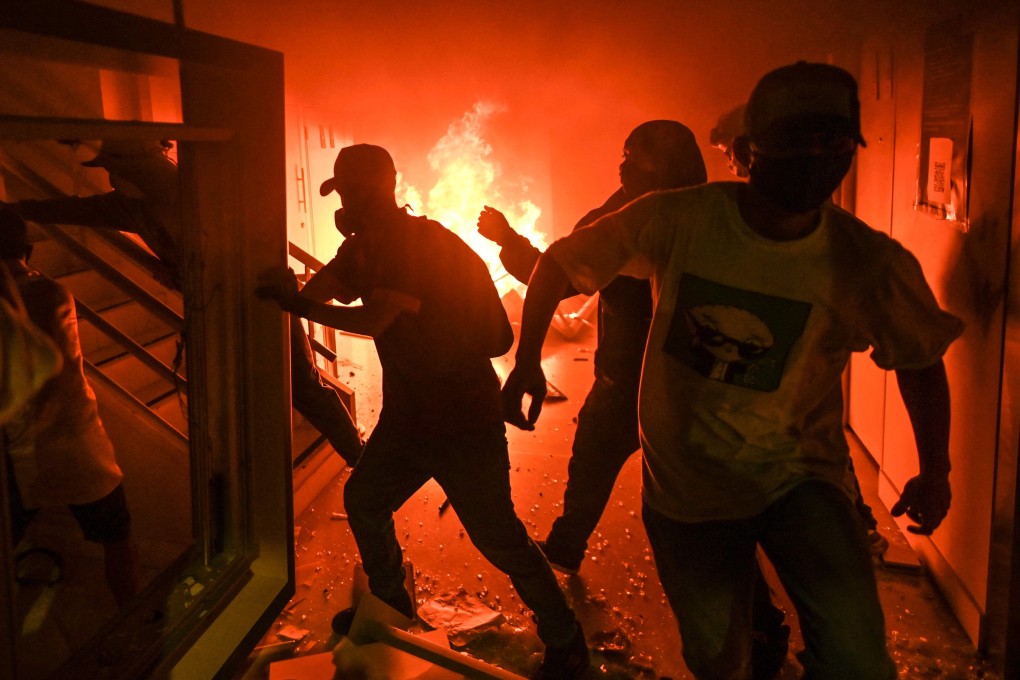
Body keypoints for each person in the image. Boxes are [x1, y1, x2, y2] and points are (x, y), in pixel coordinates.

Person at [502, 62, 963, 679]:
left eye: (832, 141)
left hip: (799, 478)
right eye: (794, 139)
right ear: (749, 151)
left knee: (856, 655)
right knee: (719, 659)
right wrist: (526, 361)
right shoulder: (679, 219)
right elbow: (560, 263)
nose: (814, 158)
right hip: (687, 487)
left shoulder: (868, 262)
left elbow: (920, 358)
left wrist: (936, 470)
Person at [255, 143, 589, 679]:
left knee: (499, 539)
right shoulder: (365, 249)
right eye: (342, 194)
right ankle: (391, 603)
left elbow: (372, 320)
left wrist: (298, 303)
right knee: (364, 499)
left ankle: (565, 638)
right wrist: (289, 288)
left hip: (462, 418)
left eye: (356, 192)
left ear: (386, 186)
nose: (347, 204)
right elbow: (326, 288)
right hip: (408, 418)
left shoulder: (417, 245)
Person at [479, 120, 789, 679]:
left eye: (635, 155)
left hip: (660, 386)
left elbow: (555, 276)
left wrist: (509, 245)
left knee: (705, 519)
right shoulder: (658, 213)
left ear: (667, 165)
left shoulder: (664, 218)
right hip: (637, 382)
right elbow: (558, 271)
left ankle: (760, 623)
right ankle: (569, 543)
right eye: (623, 153)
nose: (622, 164)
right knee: (599, 463)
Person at [2, 140, 362, 466]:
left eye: (114, 168)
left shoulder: (195, 192)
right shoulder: (130, 205)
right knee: (247, 396)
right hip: (217, 310)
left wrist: (186, 273)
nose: (111, 178)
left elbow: (240, 243)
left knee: (304, 387)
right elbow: (75, 210)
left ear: (137, 169)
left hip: (263, 298)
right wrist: (14, 210)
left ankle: (357, 458)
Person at [709, 104, 890, 557]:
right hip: (782, 354)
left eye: (730, 153)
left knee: (812, 443)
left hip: (794, 355)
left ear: (749, 150)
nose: (730, 164)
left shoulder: (799, 219)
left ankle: (855, 529)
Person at [0, 209, 140, 607]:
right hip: (77, 438)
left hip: (20, 451)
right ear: (27, 250)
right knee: (117, 536)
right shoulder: (53, 292)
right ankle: (132, 617)